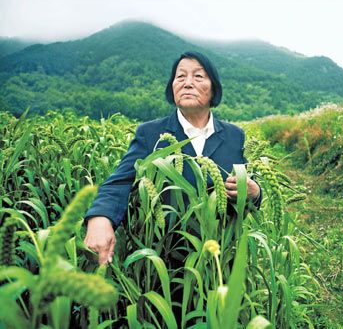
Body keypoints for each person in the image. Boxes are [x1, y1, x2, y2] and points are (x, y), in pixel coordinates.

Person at [84, 51, 261, 265]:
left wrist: (255, 193)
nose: (187, 83)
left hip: (220, 261)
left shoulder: (234, 135)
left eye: (198, 76)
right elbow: (120, 182)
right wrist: (100, 218)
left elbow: (248, 183)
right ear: (172, 87)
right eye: (180, 77)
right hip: (164, 262)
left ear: (213, 88)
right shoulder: (150, 134)